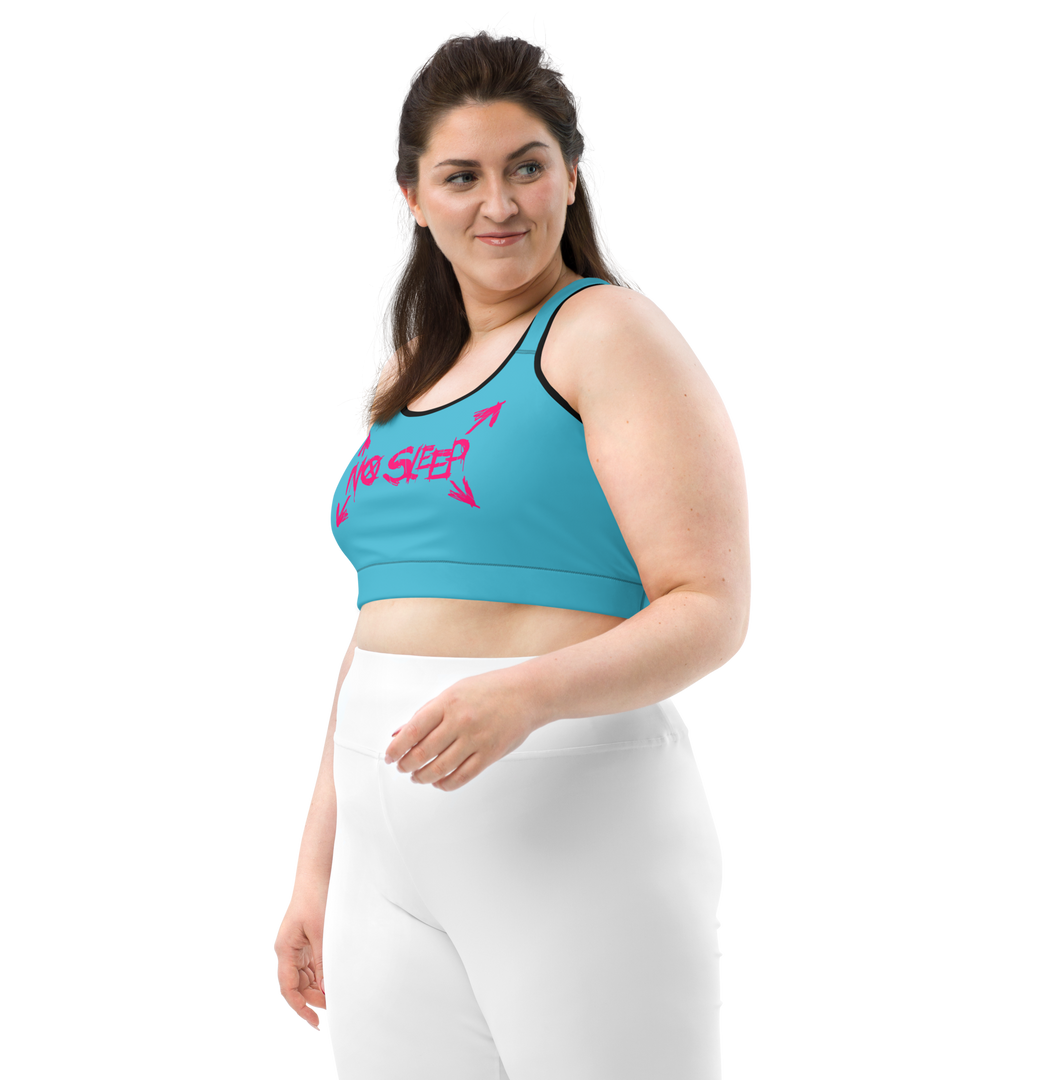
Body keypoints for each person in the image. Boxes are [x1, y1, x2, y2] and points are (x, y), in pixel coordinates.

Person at [274, 15, 750, 1080]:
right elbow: (374, 630)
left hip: (569, 813)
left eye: (526, 167)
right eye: (463, 176)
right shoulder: (404, 373)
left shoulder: (610, 333)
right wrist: (316, 869)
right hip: (384, 855)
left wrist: (525, 696)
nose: (499, 204)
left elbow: (711, 608)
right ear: (414, 200)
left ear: (571, 178)